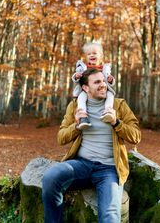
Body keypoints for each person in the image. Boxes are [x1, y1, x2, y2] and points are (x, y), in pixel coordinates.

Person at [42, 68, 141, 223]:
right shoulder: (75, 106)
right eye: (97, 82)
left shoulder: (119, 105)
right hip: (82, 165)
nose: (103, 85)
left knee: (110, 216)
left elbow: (136, 137)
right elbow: (61, 138)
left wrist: (116, 122)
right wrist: (75, 126)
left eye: (103, 81)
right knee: (50, 177)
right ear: (85, 88)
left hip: (109, 169)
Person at [72, 42, 115, 130]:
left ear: (101, 56)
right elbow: (75, 77)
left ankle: (108, 111)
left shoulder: (104, 68)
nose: (92, 55)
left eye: (94, 53)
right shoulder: (83, 67)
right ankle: (83, 116)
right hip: (85, 91)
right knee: (81, 98)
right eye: (89, 54)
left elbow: (109, 79)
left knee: (110, 95)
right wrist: (76, 76)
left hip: (102, 90)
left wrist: (111, 80)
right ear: (86, 57)